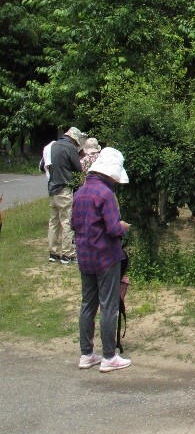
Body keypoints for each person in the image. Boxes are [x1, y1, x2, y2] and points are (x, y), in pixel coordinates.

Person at [71, 147, 132, 372]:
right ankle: (109, 357)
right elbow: (114, 228)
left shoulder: (80, 192)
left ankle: (86, 354)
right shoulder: (106, 194)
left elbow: (73, 225)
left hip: (85, 256)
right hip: (106, 257)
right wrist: (123, 227)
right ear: (110, 174)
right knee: (108, 305)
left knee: (88, 304)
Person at [46, 127, 86, 263]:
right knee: (66, 221)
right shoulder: (70, 148)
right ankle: (68, 254)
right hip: (64, 188)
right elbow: (78, 168)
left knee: (54, 222)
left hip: (52, 189)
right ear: (74, 139)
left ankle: (53, 252)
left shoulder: (54, 145)